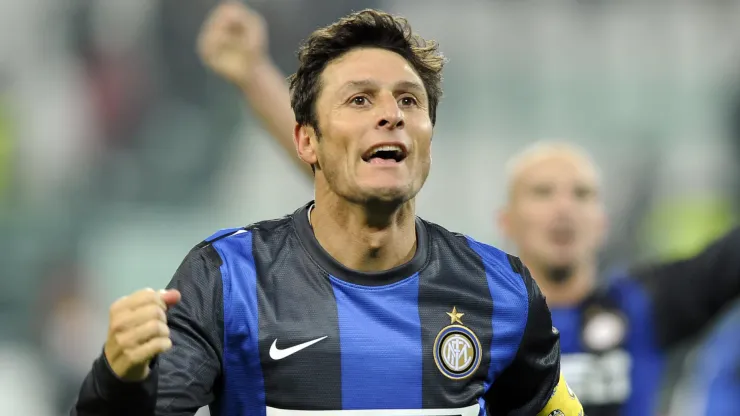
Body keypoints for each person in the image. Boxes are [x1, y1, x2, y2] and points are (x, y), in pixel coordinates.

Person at [198, 8, 740, 416]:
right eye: (542, 193)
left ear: (603, 220)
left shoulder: (642, 308)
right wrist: (252, 74)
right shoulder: (473, 297)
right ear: (507, 220)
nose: (562, 210)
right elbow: (343, 181)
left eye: (580, 195)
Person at [71, 7, 584, 416]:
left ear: (429, 136)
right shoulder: (227, 279)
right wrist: (118, 380)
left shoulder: (501, 291)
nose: (391, 114)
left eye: (410, 101)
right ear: (306, 140)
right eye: (360, 100)